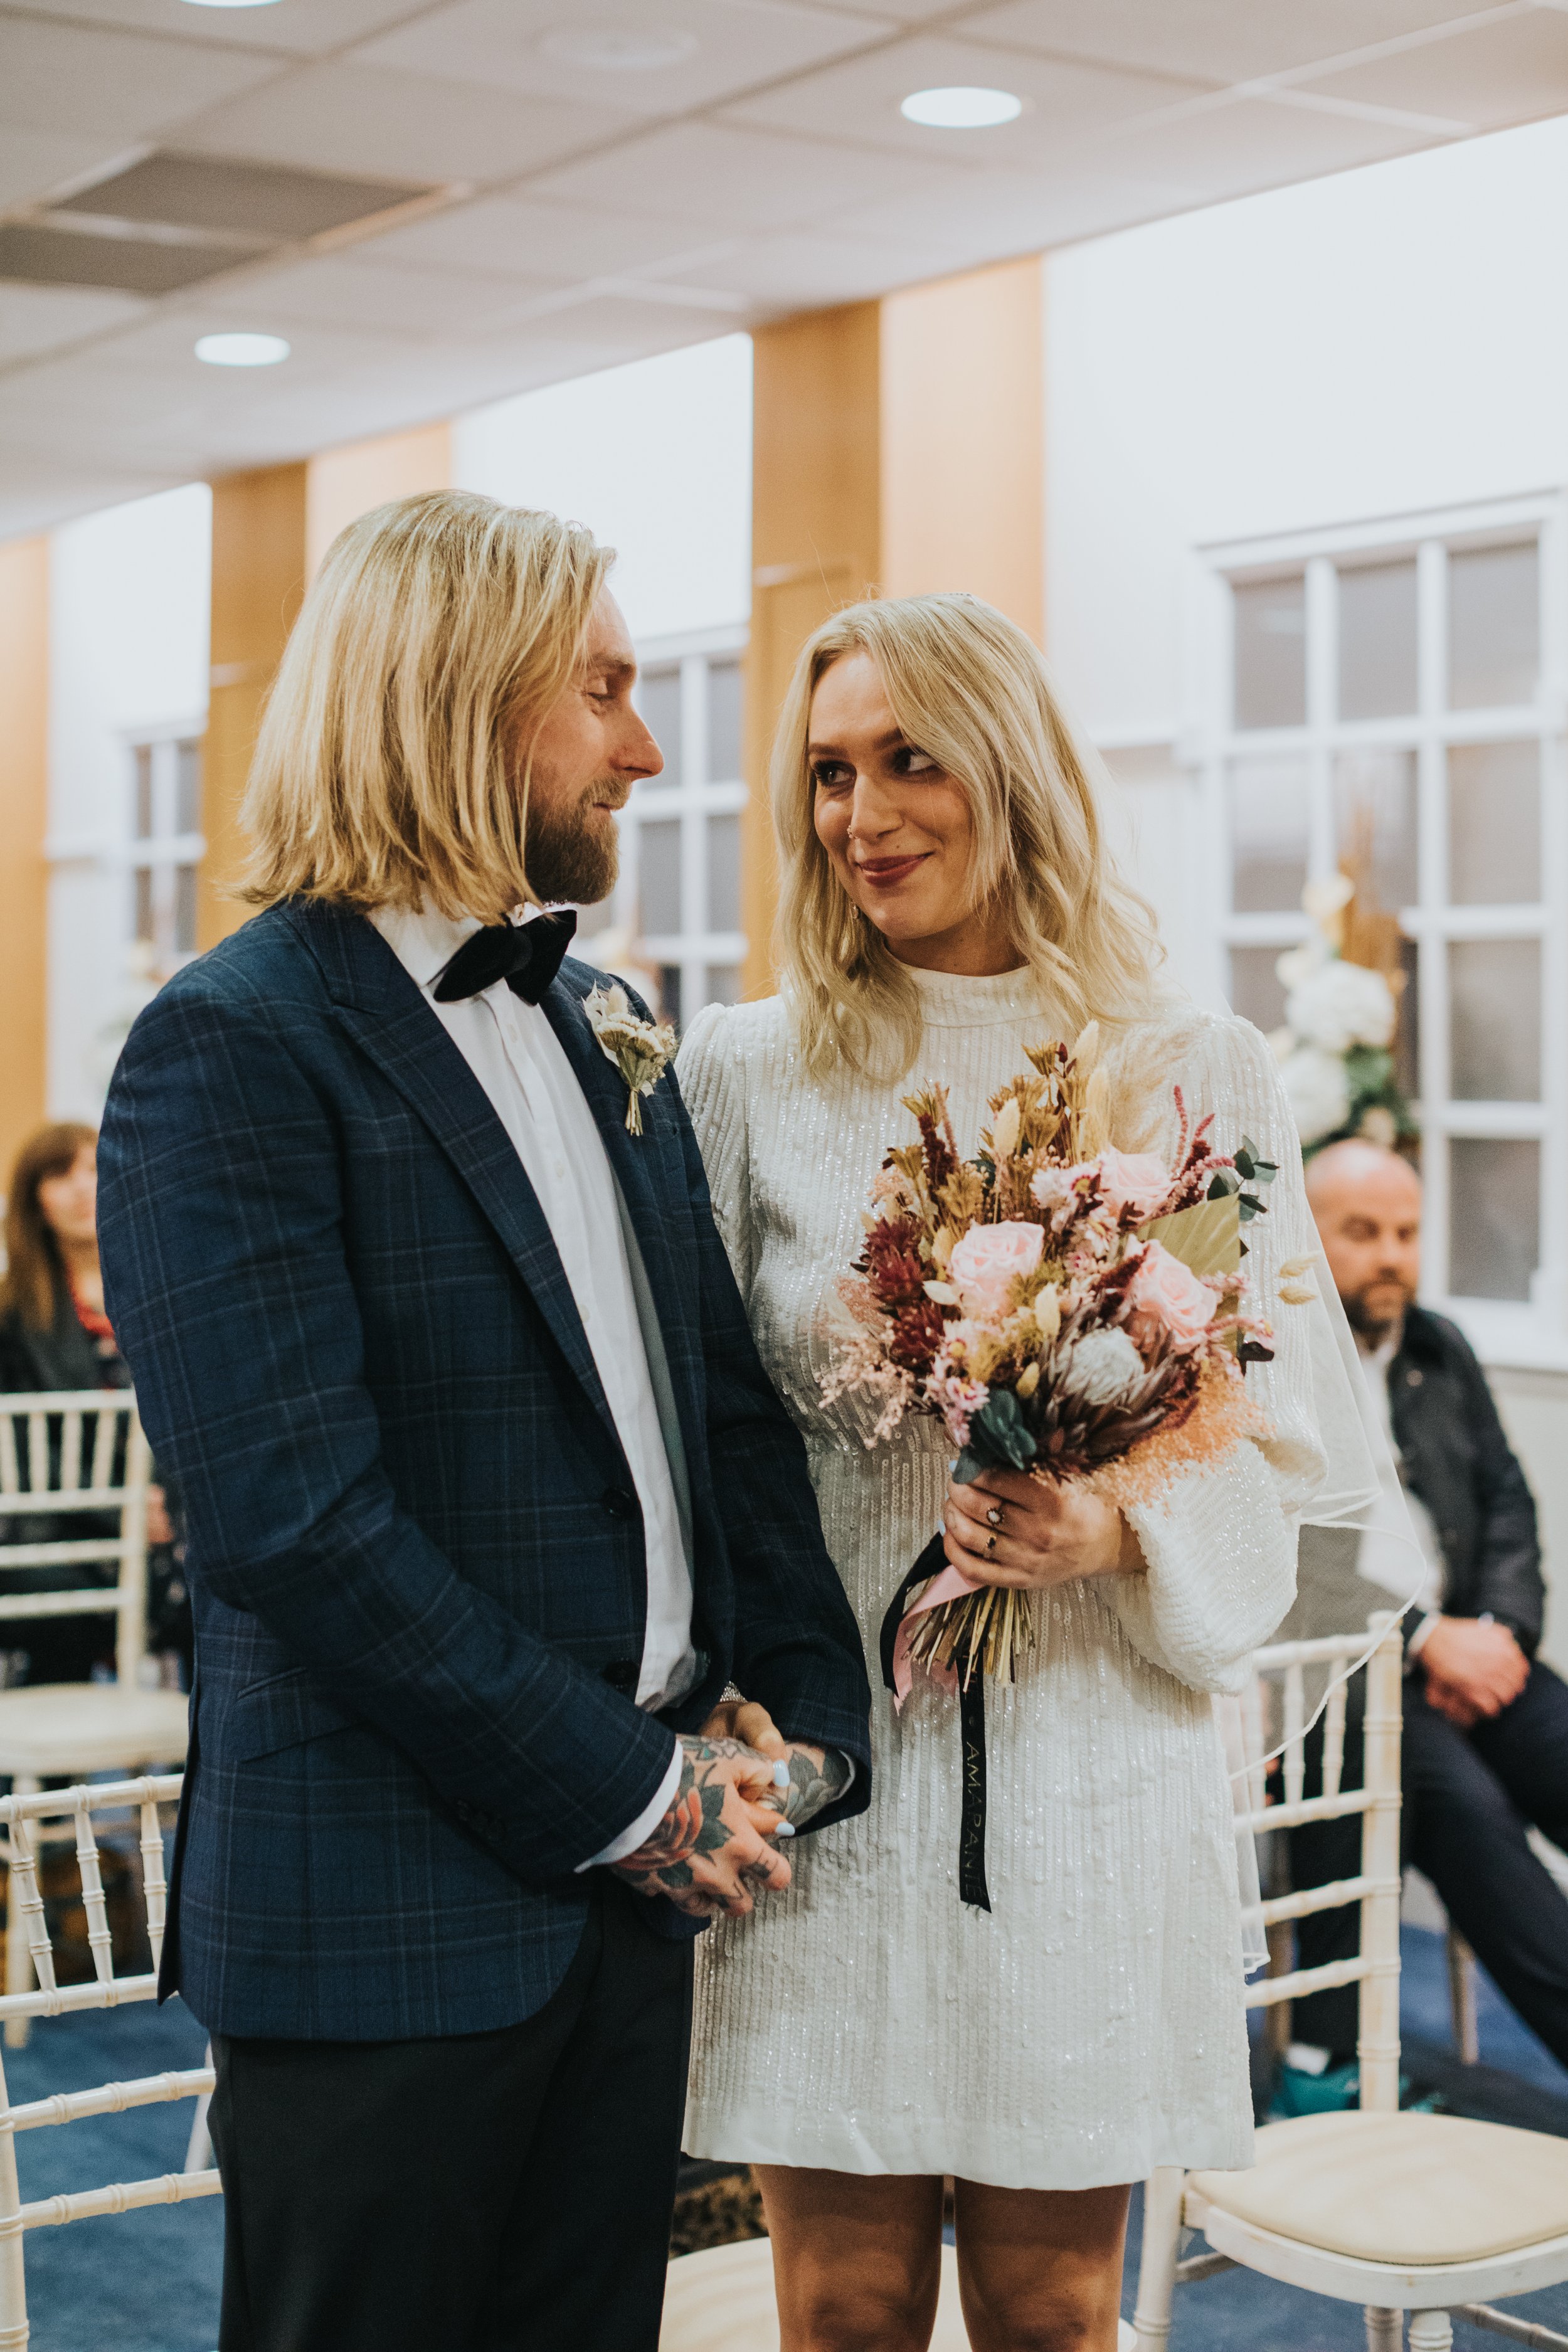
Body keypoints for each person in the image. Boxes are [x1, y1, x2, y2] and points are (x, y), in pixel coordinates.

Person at [96, 491, 872, 2352]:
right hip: (384, 1911)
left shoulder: (596, 1013)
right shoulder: (233, 1041)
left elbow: (716, 1420)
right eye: (599, 687)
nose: (645, 743)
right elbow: (295, 1521)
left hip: (625, 1910)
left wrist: (809, 1723)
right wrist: (627, 1796)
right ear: (453, 698)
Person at [675, 593, 1355, 2352]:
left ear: (1014, 767)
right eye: (828, 769)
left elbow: (1298, 1437)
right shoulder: (745, 1068)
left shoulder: (1186, 1065)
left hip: (1083, 1770)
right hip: (833, 1770)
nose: (862, 811)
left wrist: (1110, 1520)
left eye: (910, 758)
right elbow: (686, 1433)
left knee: (1055, 2310)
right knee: (838, 2302)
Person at [1284, 1138, 1568, 2082]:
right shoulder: (1261, 1359)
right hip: (1343, 1676)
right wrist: (1422, 1638)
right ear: (1305, 1231)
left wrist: (1499, 1632)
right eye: (1362, 1231)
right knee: (1475, 1816)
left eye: (1406, 1232)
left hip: (1474, 1649)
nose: (1393, 1255)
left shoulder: (1440, 1347)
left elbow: (1508, 1506)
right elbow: (1276, 1546)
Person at [0, 1121, 184, 1683]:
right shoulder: (13, 1314)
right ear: (34, 1199)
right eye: (62, 1173)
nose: (85, 1188)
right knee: (56, 1611)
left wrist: (170, 1502)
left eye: (96, 1169)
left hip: (172, 1515)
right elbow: (22, 1451)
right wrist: (126, 1507)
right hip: (61, 1531)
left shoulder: (165, 1290)